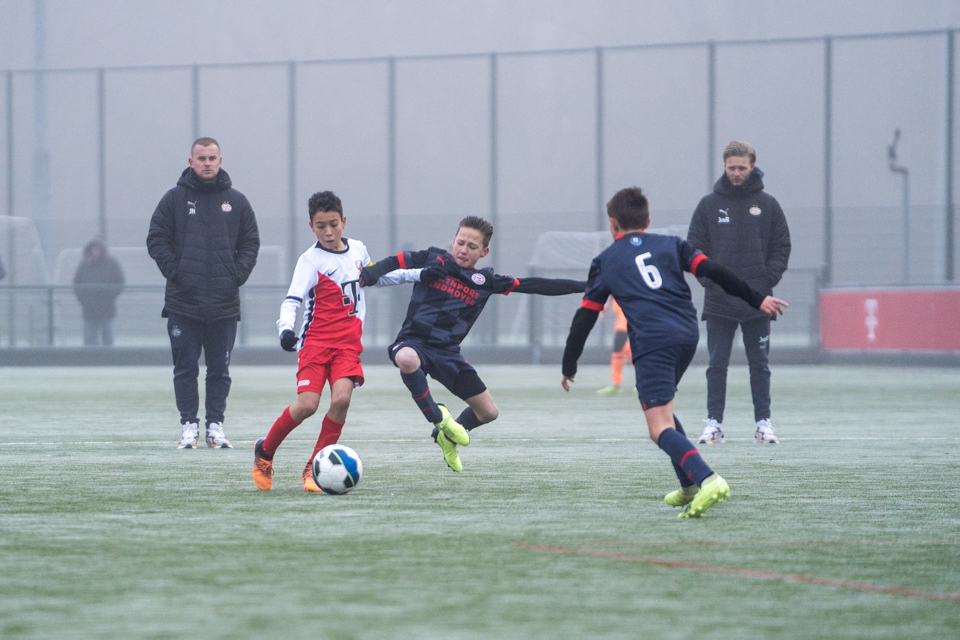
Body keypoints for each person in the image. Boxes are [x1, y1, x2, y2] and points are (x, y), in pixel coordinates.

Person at [561, 187, 787, 518]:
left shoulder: (605, 261)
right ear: (648, 221)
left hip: (652, 341)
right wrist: (757, 298)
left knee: (658, 427)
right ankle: (690, 486)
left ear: (613, 224)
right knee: (662, 407)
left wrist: (569, 363)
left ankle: (708, 479)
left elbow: (585, 317)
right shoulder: (672, 245)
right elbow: (715, 271)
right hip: (686, 335)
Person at [359, 216, 586, 473]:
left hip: (448, 354)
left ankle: (447, 436)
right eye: (460, 242)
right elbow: (396, 261)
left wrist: (585, 286)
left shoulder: (485, 282)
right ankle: (439, 418)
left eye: (472, 246)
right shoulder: (435, 259)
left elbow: (535, 285)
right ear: (453, 241)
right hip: (414, 342)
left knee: (488, 412)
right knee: (407, 360)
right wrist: (370, 273)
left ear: (484, 252)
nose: (463, 250)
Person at [252, 191, 426, 491]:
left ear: (344, 221)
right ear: (311, 226)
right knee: (307, 405)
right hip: (315, 345)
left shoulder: (358, 250)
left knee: (342, 400)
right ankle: (264, 452)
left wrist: (420, 274)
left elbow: (378, 278)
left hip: (347, 346)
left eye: (333, 224)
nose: (329, 232)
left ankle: (313, 468)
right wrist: (285, 330)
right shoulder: (310, 261)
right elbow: (292, 300)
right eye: (321, 226)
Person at [147, 137, 260, 450]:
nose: (207, 163)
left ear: (220, 160)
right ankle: (188, 426)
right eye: (201, 158)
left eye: (212, 158)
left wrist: (235, 275)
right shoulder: (174, 200)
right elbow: (156, 239)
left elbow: (251, 242)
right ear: (191, 162)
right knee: (185, 369)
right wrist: (178, 272)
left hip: (224, 304)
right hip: (184, 304)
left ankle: (215, 426)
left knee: (219, 370)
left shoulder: (236, 201)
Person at [687, 141, 791, 445]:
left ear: (752, 165)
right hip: (719, 301)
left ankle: (763, 423)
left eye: (741, 168)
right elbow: (693, 250)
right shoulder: (708, 205)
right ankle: (713, 424)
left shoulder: (768, 204)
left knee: (759, 364)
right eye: (731, 167)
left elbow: (782, 247)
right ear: (724, 166)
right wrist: (712, 282)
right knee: (716, 365)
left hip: (759, 303)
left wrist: (764, 281)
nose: (735, 173)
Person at [73, 238, 125, 346]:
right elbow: (77, 284)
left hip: (107, 309)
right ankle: (89, 361)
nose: (95, 251)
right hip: (89, 310)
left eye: (98, 249)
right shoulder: (84, 265)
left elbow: (119, 282)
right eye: (93, 249)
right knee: (89, 338)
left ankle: (109, 361)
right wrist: (84, 300)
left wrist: (109, 296)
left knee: (108, 337)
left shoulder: (111, 264)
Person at [595, 298, 632, 396]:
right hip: (623, 313)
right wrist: (604, 306)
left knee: (619, 347)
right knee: (620, 347)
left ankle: (617, 384)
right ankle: (616, 384)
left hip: (631, 312)